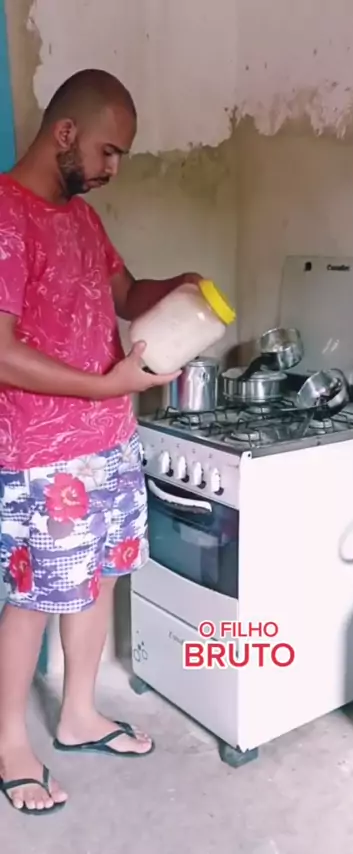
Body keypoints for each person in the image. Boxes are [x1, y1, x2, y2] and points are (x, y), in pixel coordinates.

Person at [0, 68, 203, 815]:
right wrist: (105, 385)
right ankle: (8, 745)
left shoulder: (82, 220)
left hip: (110, 441)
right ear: (66, 133)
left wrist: (177, 286)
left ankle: (79, 713)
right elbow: (1, 352)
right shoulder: (5, 215)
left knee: (99, 579)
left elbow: (125, 294)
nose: (112, 169)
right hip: (42, 456)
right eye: (108, 151)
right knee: (34, 597)